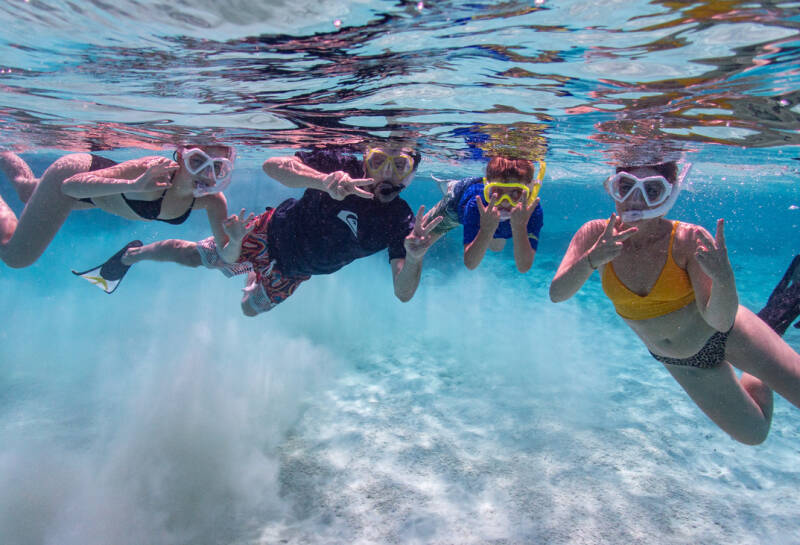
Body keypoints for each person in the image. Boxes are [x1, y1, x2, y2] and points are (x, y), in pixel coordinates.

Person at [549, 159, 800, 445]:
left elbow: (719, 320)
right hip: (682, 362)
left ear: (670, 194)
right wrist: (592, 259)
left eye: (651, 191)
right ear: (613, 188)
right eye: (626, 186)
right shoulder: (595, 234)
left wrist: (724, 280)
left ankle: (768, 330)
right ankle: (771, 329)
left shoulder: (688, 238)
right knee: (754, 433)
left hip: (729, 334)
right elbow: (558, 294)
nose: (635, 200)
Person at [80, 143, 442, 315]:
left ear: (412, 172)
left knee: (249, 310)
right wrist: (322, 182)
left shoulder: (400, 220)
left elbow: (403, 292)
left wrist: (414, 258)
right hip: (267, 234)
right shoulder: (339, 164)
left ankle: (248, 274)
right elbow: (273, 165)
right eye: (378, 161)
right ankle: (132, 255)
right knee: (195, 257)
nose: (386, 173)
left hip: (293, 272)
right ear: (366, 156)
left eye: (400, 164)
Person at [0, 146, 235, 269]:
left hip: (98, 197)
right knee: (17, 257)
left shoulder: (213, 202)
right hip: (76, 175)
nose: (206, 174)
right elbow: (69, 186)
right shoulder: (155, 171)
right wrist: (134, 184)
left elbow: (226, 254)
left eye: (217, 167)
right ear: (180, 157)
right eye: (197, 161)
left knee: (26, 190)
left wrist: (235, 241)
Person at [428, 157, 544, 272]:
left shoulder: (532, 211)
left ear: (530, 189)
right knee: (422, 239)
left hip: (493, 224)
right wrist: (486, 230)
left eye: (515, 193)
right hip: (457, 206)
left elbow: (524, 267)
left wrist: (520, 228)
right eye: (497, 191)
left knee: (496, 247)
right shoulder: (476, 204)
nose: (505, 201)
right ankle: (450, 185)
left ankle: (494, 229)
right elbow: (470, 264)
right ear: (487, 188)